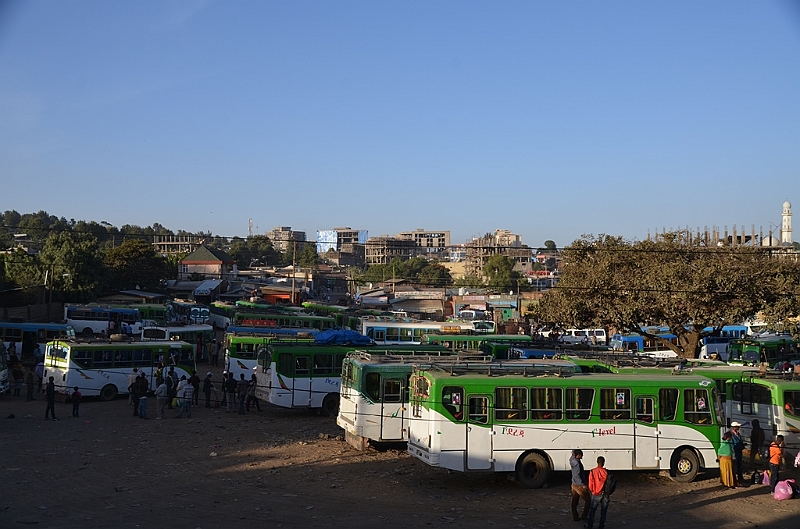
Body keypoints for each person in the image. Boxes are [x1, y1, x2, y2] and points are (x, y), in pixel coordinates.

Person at [585, 456, 609, 529]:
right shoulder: (606, 472)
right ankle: (601, 525)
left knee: (592, 510)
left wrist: (592, 490)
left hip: (595, 493)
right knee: (604, 510)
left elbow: (590, 483)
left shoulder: (592, 471)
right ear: (603, 463)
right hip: (605, 493)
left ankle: (590, 525)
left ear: (597, 462)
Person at [570, 449, 590, 522]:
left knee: (574, 501)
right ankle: (584, 516)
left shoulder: (572, 460)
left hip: (573, 484)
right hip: (579, 485)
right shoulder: (577, 464)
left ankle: (575, 517)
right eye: (581, 455)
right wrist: (583, 485)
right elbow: (578, 475)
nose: (582, 456)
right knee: (588, 500)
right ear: (578, 455)